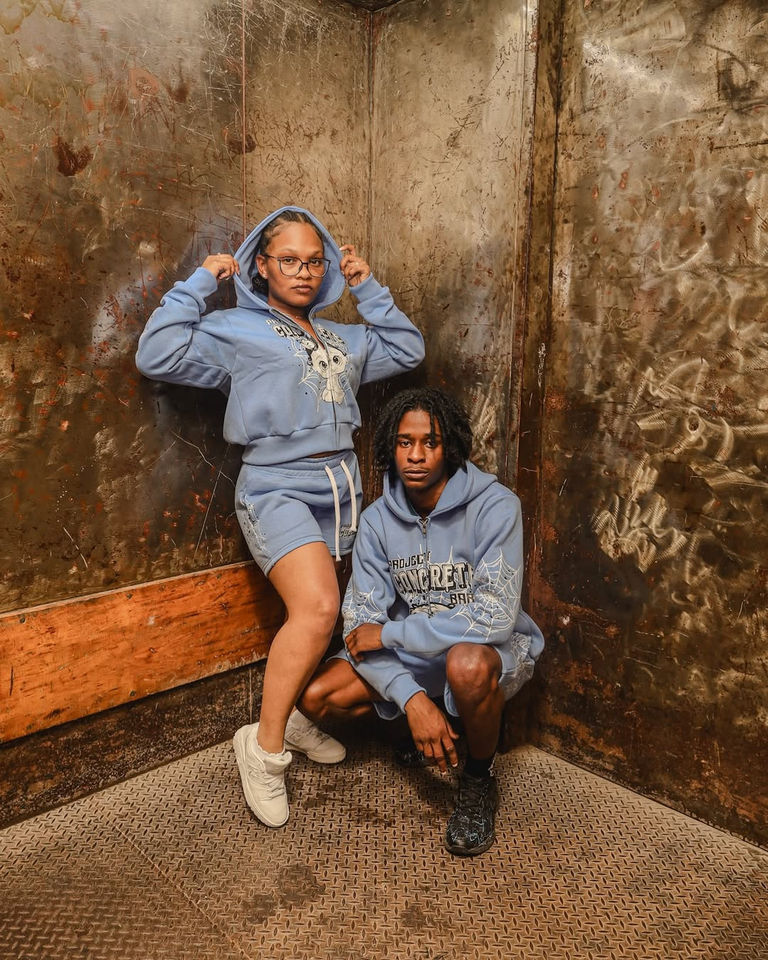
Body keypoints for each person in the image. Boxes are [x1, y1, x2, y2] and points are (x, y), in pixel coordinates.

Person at [135, 206, 424, 828]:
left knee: (331, 615)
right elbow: (156, 355)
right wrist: (199, 283)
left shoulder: (343, 336)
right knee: (316, 609)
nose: (303, 271)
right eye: (288, 260)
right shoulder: (236, 328)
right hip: (275, 489)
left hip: (342, 488)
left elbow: (407, 348)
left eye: (314, 261)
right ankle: (264, 752)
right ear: (261, 266)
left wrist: (367, 286)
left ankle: (292, 719)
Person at [297, 387, 544, 856]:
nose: (415, 455)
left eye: (430, 442)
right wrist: (411, 701)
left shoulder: (496, 506)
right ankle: (426, 721)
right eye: (404, 442)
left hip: (485, 650)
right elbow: (359, 626)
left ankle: (478, 776)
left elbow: (494, 616)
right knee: (318, 696)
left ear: (449, 446)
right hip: (417, 655)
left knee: (466, 666)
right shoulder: (377, 521)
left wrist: (392, 633)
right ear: (390, 447)